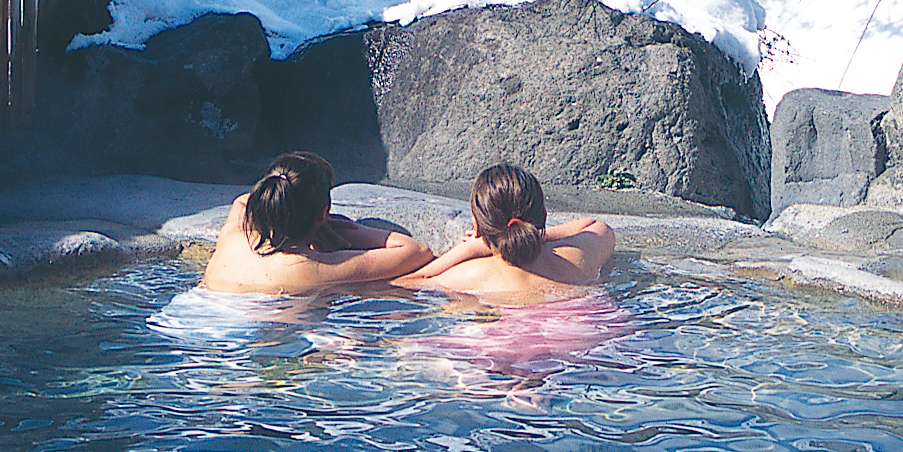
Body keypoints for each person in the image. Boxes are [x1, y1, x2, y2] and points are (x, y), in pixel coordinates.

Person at [202, 151, 433, 294]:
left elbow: (242, 202)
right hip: (261, 336)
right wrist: (344, 228)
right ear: (323, 214)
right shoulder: (315, 267)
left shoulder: (233, 238)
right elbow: (417, 251)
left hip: (189, 317)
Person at [397, 163, 615, 306]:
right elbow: (596, 225)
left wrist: (473, 247)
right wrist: (538, 234)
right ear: (544, 217)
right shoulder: (578, 255)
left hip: (506, 344)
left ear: (478, 227)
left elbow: (408, 282)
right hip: (592, 327)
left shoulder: (471, 275)